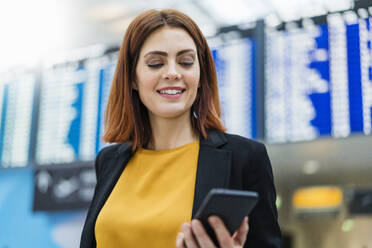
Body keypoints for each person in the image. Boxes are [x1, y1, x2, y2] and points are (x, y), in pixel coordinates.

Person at [80, 8, 281, 248]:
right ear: (132, 78)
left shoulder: (246, 158)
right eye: (155, 63)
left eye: (186, 62)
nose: (173, 73)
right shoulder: (109, 161)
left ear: (200, 74)